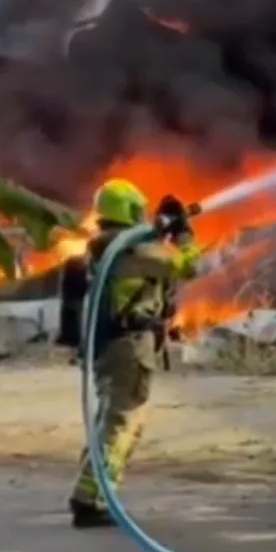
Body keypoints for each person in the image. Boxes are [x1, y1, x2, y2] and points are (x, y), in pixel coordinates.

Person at [62, 179, 204, 529]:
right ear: (129, 211)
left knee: (109, 419)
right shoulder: (135, 251)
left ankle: (90, 489)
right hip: (129, 346)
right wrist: (183, 234)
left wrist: (163, 231)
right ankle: (91, 499)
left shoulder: (106, 247)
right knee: (123, 422)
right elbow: (187, 266)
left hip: (108, 345)